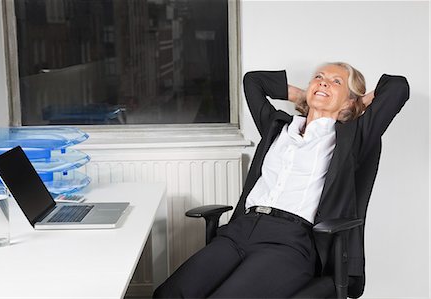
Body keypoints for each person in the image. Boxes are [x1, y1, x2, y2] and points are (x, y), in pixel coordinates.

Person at [153, 62, 410, 298]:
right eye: (318, 78)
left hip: (289, 242)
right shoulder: (277, 126)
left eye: (336, 82)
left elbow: (398, 87)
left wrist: (357, 104)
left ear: (350, 101)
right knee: (170, 293)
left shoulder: (351, 138)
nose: (323, 82)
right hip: (239, 230)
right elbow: (253, 81)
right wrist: (303, 97)